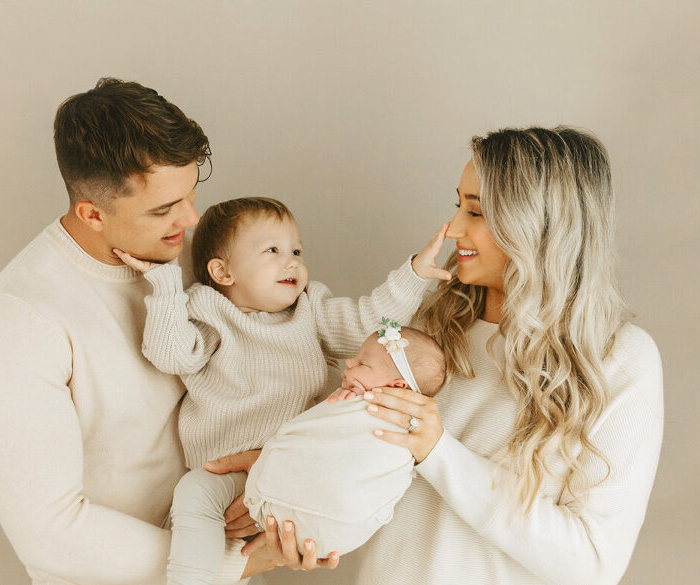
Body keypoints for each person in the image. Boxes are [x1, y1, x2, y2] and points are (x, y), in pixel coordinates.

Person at [0, 78, 323, 585]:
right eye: (163, 210)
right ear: (91, 213)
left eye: (190, 197)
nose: (192, 220)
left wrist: (281, 478)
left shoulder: (174, 264)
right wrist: (233, 563)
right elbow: (50, 530)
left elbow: (244, 387)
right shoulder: (16, 318)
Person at [331, 127, 664, 585]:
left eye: (477, 211)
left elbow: (592, 563)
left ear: (541, 226)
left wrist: (438, 452)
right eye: (458, 204)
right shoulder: (422, 330)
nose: (453, 228)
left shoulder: (618, 360)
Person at [113, 195, 451, 584]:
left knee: (243, 529)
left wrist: (415, 274)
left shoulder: (310, 310)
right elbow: (171, 355)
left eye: (296, 250)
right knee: (197, 506)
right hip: (230, 472)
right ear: (222, 272)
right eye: (273, 250)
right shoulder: (207, 311)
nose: (292, 261)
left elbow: (371, 324)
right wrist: (166, 283)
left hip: (301, 470)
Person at [245, 322, 448, 559]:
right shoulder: (352, 402)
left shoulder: (407, 430)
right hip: (337, 538)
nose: (349, 362)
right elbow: (325, 435)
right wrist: (341, 401)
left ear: (396, 386)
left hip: (268, 499)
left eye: (362, 363)